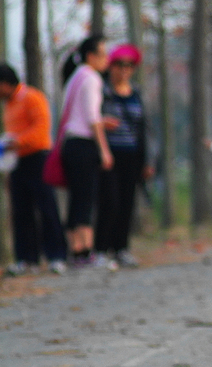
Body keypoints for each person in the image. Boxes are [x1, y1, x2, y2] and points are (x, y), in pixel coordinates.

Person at [0, 64, 67, 275]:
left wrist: (16, 141)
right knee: (21, 210)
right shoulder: (9, 105)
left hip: (38, 158)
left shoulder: (32, 97)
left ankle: (57, 255)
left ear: (5, 84)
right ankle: (27, 258)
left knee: (46, 206)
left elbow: (41, 130)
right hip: (17, 161)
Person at [60, 36, 114, 268]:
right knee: (86, 197)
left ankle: (76, 249)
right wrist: (104, 150)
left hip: (70, 143)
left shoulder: (75, 77)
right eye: (103, 54)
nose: (107, 60)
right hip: (84, 144)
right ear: (91, 56)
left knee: (76, 197)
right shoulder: (91, 78)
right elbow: (92, 118)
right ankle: (87, 251)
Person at [94, 44, 150, 267]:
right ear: (111, 66)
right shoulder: (103, 91)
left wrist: (147, 160)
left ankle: (121, 248)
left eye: (129, 65)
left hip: (132, 155)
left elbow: (144, 128)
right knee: (110, 201)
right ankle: (101, 248)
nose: (124, 69)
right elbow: (92, 118)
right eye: (120, 65)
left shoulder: (136, 94)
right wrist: (102, 123)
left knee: (127, 202)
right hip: (109, 154)